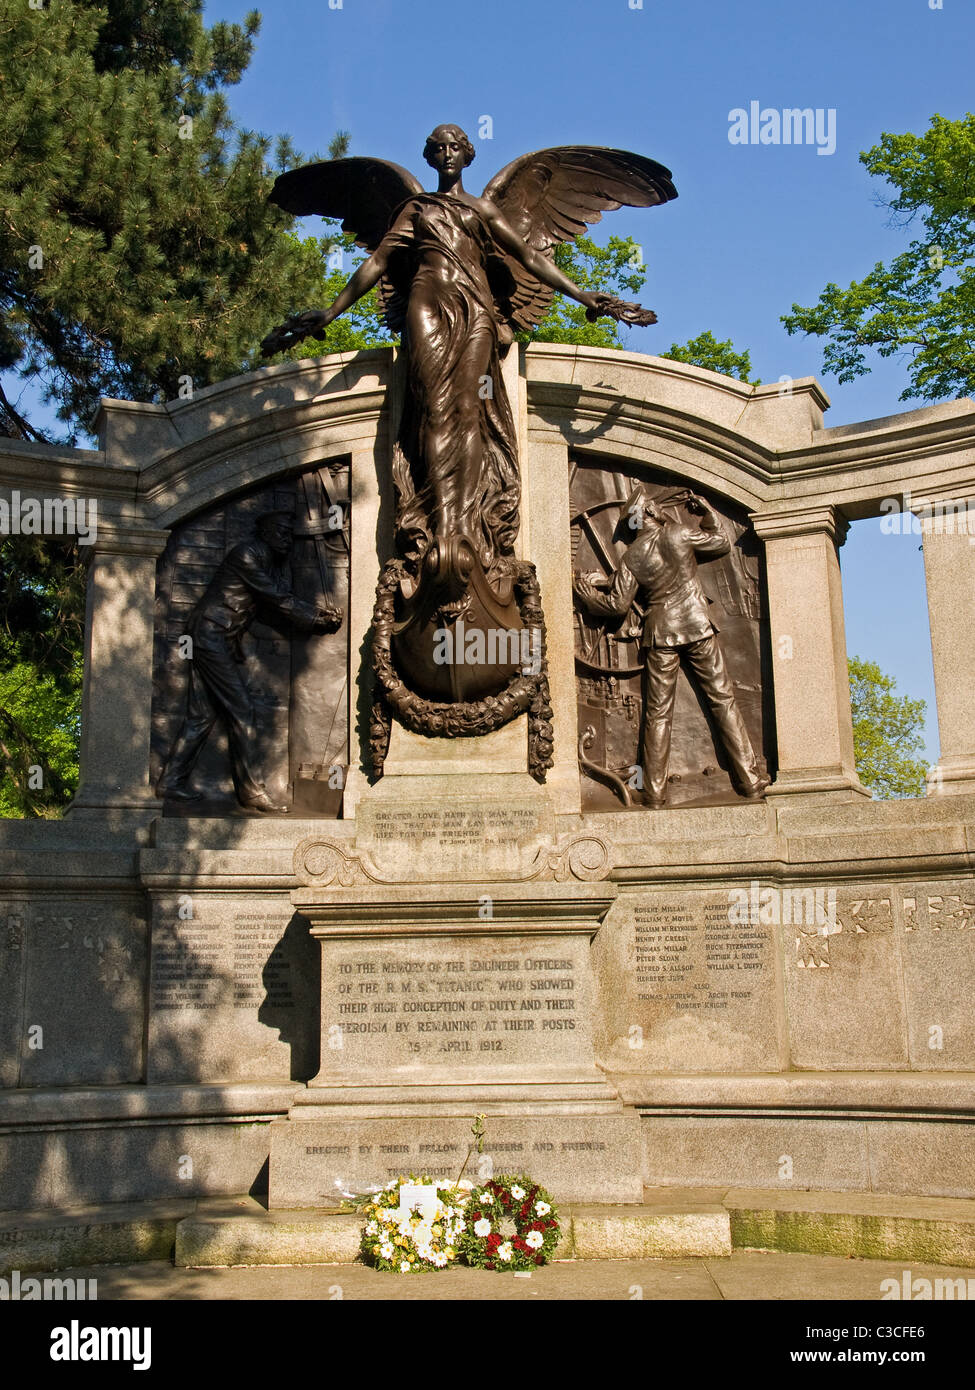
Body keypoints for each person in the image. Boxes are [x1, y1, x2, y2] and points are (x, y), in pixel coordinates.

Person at [283, 125, 622, 572]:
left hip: (476, 310)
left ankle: (463, 519)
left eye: (455, 146)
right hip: (426, 304)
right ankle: (443, 519)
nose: (447, 153)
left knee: (467, 409)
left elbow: (530, 257)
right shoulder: (416, 209)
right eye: (438, 147)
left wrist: (583, 296)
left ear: (467, 155)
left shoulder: (482, 209)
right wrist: (331, 312)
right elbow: (378, 262)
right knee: (433, 408)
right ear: (429, 157)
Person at [574, 492, 770, 808]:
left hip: (661, 634)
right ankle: (749, 780)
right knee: (723, 701)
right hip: (697, 627)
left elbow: (616, 606)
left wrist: (588, 595)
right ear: (652, 511)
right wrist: (707, 511)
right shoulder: (679, 533)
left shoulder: (633, 556)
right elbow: (721, 541)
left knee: (657, 714)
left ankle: (653, 791)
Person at [156, 512, 341, 813]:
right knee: (243, 711)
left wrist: (313, 614)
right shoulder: (247, 555)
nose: (286, 537)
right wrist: (316, 616)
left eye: (289, 533)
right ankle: (251, 791)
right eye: (280, 530)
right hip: (211, 635)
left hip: (215, 637)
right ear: (264, 531)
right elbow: (276, 598)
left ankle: (170, 781)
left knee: (201, 716)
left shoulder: (265, 558)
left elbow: (269, 602)